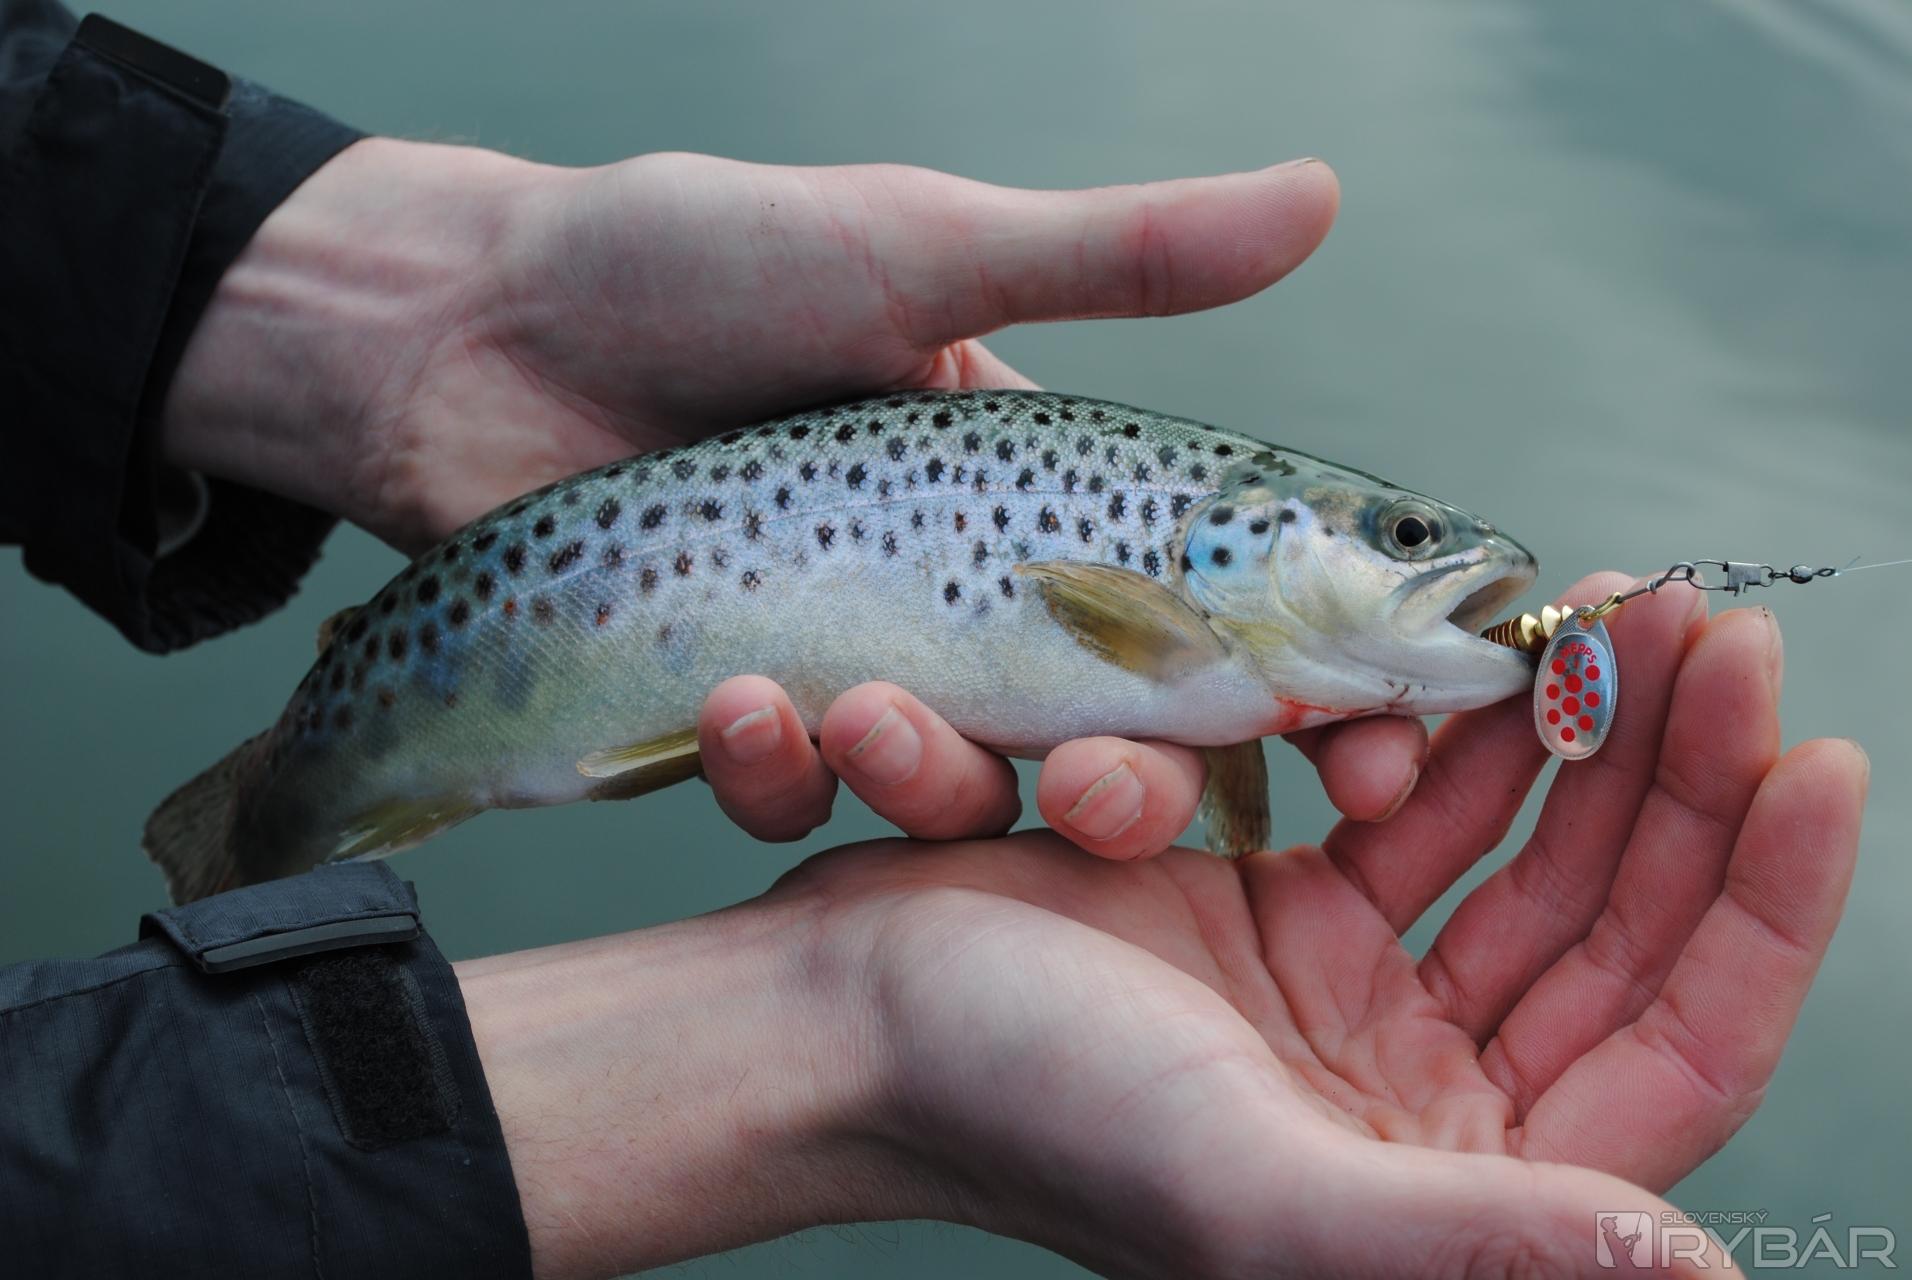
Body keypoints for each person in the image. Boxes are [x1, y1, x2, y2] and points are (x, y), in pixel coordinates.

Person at [0, 7, 1867, 1278]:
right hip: (480, 639)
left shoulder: (1229, 675)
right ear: (1223, 546)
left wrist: (392, 312)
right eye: (1394, 541)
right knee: (379, 786)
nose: (1451, 573)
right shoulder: (1189, 634)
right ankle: (271, 829)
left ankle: (265, 842)